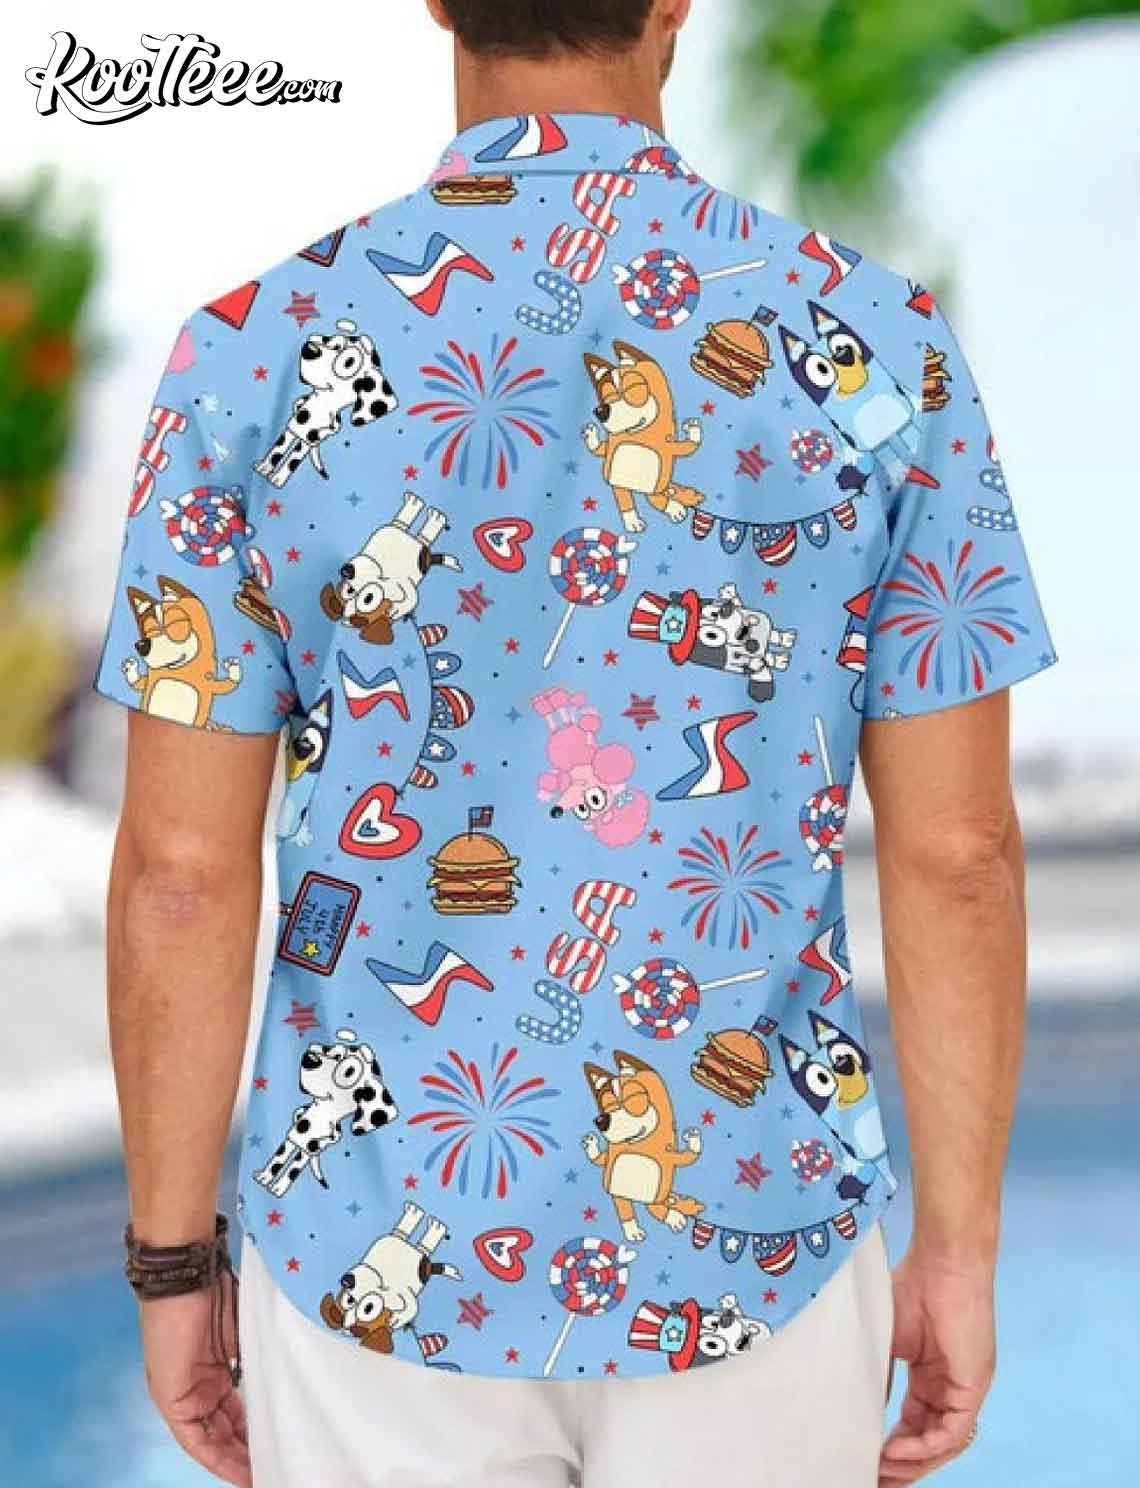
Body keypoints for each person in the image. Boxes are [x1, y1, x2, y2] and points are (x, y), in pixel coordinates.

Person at [95, 2, 1058, 1484]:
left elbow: (180, 870)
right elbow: (960, 854)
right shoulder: (873, 340)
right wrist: (961, 1253)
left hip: (369, 1247)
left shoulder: (252, 351)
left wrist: (173, 1268)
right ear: (673, 3)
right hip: (755, 1240)